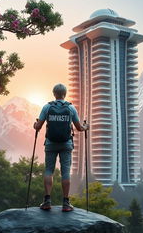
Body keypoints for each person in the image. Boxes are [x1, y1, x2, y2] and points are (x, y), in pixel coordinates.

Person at [34, 83, 88, 212]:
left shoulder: (47, 107)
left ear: (54, 94)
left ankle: (47, 201)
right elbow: (79, 128)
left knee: (48, 171)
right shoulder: (71, 108)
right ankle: (66, 203)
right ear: (65, 94)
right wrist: (87, 127)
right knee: (65, 172)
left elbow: (38, 126)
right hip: (66, 144)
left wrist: (35, 124)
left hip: (50, 144)